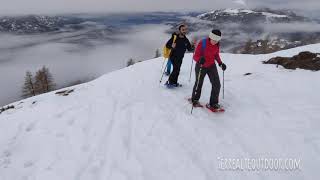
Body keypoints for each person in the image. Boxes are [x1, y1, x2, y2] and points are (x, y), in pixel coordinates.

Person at [191, 29, 227, 110]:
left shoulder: (217, 44)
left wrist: (220, 63)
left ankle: (213, 103)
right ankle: (195, 100)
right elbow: (195, 56)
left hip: (211, 65)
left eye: (217, 40)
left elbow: (216, 55)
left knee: (217, 84)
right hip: (201, 65)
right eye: (213, 39)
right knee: (198, 83)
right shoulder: (202, 43)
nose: (215, 42)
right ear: (210, 37)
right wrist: (200, 59)